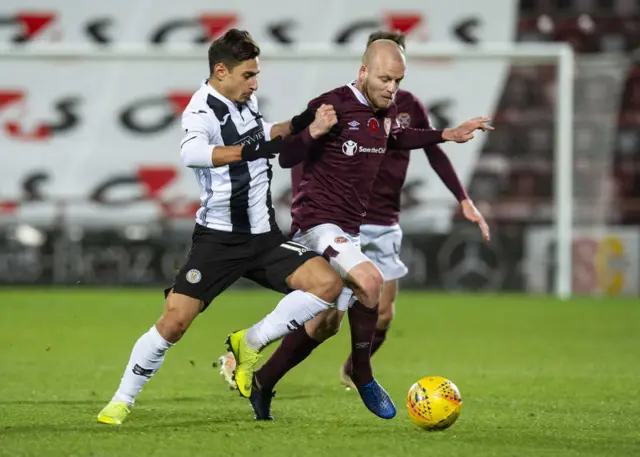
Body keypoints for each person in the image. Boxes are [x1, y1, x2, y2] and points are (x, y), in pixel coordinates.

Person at [225, 38, 493, 421]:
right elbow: (286, 156)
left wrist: (446, 134)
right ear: (363, 72)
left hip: (346, 227)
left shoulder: (389, 109)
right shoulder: (330, 104)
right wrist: (314, 132)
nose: (392, 88)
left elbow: (396, 137)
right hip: (316, 223)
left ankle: (263, 381)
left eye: (398, 81)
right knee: (371, 281)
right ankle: (363, 375)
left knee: (325, 325)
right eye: (385, 79)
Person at [96, 29, 343, 425]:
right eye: (248, 75)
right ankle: (122, 400)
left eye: (256, 74)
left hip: (264, 237)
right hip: (219, 239)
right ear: (221, 71)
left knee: (328, 285)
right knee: (174, 321)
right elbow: (193, 154)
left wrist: (300, 122)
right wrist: (256, 149)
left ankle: (250, 342)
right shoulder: (200, 110)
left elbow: (262, 135)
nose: (255, 83)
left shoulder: (246, 101)